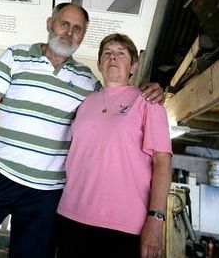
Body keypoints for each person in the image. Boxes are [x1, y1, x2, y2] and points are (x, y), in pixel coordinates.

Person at [0, 3, 164, 258]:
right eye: (64, 23)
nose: (69, 32)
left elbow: (117, 92)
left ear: (82, 37)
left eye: (78, 29)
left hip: (46, 193)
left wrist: (151, 88)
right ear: (49, 24)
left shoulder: (88, 82)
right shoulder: (15, 56)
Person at [55, 33, 172, 258]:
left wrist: (156, 219)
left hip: (123, 226)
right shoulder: (85, 101)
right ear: (99, 63)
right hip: (71, 215)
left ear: (134, 67)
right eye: (107, 53)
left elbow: (163, 163)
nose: (113, 58)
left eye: (121, 53)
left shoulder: (148, 101)